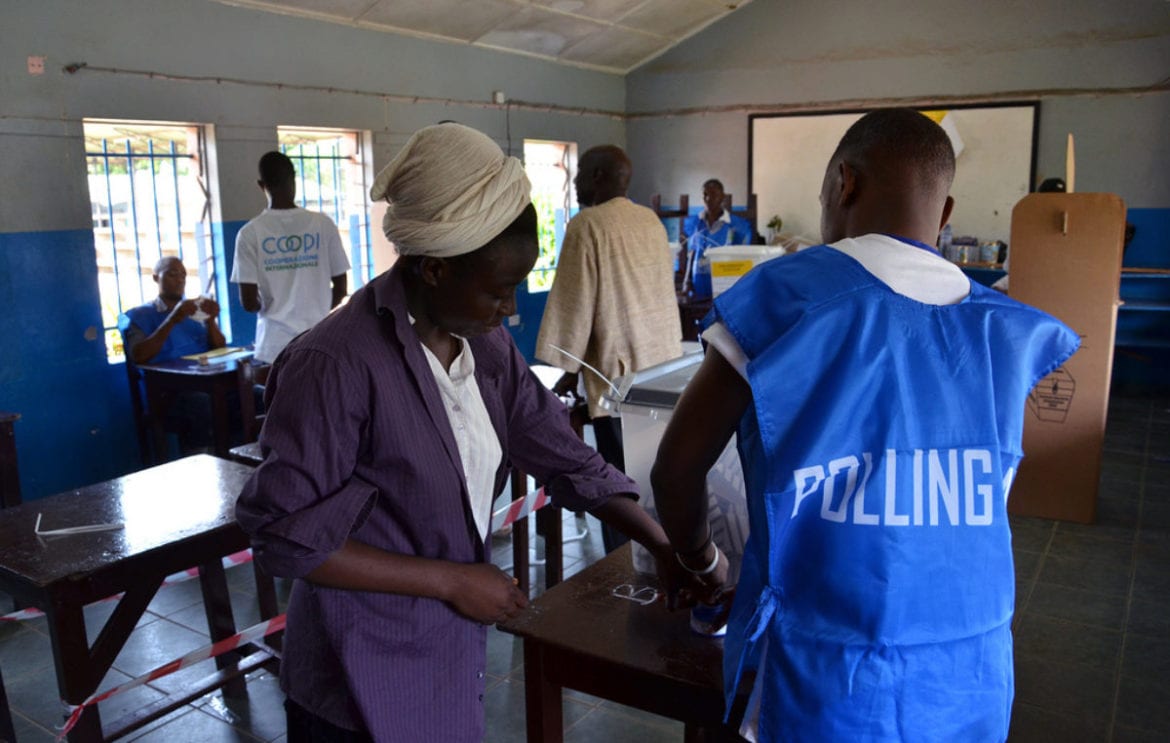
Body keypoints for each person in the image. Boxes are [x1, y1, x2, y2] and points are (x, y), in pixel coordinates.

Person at [235, 123, 694, 743]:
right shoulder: (334, 365)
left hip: (446, 652)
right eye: (500, 291)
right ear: (432, 269)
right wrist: (452, 579)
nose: (509, 311)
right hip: (357, 675)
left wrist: (661, 543)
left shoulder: (485, 348)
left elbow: (562, 454)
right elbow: (287, 538)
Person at [650, 109, 1079, 742]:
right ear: (947, 207)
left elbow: (677, 469)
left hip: (830, 682)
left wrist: (702, 561)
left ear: (843, 183)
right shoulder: (1005, 332)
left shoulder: (787, 298)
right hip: (968, 676)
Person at [534, 144, 682, 552]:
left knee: (617, 485)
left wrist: (565, 367)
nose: (575, 179)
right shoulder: (648, 219)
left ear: (598, 176)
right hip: (663, 369)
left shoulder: (589, 225)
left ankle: (622, 570)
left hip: (618, 377)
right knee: (656, 475)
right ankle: (666, 555)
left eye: (580, 170)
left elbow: (575, 304)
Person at [231, 151, 350, 373]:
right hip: (320, 339)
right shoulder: (323, 225)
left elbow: (248, 302)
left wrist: (271, 306)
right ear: (293, 178)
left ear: (261, 184)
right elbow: (341, 288)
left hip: (275, 345)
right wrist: (319, 310)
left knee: (283, 405)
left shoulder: (249, 233)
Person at [118, 256, 226, 451]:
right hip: (166, 395)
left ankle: (236, 460)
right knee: (202, 404)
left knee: (247, 397)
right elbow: (139, 355)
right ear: (155, 278)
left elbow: (219, 347)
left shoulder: (193, 311)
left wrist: (210, 320)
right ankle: (201, 464)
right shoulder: (140, 315)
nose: (179, 280)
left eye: (183, 275)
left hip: (205, 384)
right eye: (172, 274)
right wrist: (172, 319)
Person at [681, 178, 754, 299]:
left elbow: (743, 261)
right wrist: (686, 283)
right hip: (698, 287)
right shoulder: (695, 223)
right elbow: (692, 253)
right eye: (705, 195)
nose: (708, 199)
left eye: (714, 194)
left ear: (723, 197)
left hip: (726, 290)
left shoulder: (738, 226)